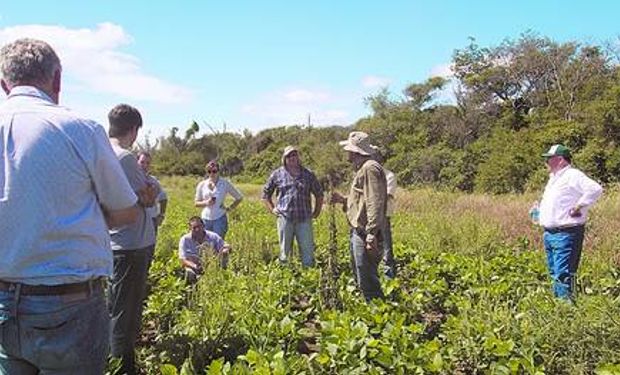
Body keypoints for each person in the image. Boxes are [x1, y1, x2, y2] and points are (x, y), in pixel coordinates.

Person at [0, 38, 138, 374]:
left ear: (4, 84)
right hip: (70, 305)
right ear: (57, 80)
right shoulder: (80, 129)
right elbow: (124, 212)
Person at [107, 104, 159, 374]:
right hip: (132, 245)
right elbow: (148, 197)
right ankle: (123, 367)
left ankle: (117, 359)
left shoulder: (102, 152)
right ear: (134, 129)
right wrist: (148, 193)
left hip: (116, 243)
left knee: (117, 305)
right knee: (125, 311)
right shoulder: (126, 158)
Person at [536, 144, 602, 301]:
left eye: (549, 159)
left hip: (566, 233)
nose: (546, 162)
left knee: (563, 273)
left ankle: (567, 311)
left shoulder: (572, 175)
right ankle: (561, 306)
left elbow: (595, 189)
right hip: (550, 233)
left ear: (559, 160)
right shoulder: (554, 178)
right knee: (555, 273)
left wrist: (579, 206)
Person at [331, 132, 387, 301]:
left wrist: (371, 234)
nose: (347, 154)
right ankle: (370, 313)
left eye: (349, 150)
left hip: (366, 234)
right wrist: (343, 200)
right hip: (360, 231)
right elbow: (362, 200)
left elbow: (374, 202)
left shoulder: (370, 168)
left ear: (355, 152)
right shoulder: (364, 168)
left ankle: (378, 317)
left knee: (368, 281)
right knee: (361, 275)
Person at [262, 146, 324, 267]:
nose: (292, 158)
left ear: (298, 157)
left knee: (307, 252)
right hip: (285, 218)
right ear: (284, 158)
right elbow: (265, 194)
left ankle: (308, 277)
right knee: (284, 252)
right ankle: (286, 277)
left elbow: (319, 194)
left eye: (294, 155)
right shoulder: (277, 174)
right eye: (289, 156)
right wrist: (272, 209)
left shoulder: (308, 174)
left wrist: (316, 212)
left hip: (304, 218)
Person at [194, 160, 243, 239]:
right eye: (209, 171)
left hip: (219, 218)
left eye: (214, 171)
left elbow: (239, 197)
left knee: (218, 243)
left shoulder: (224, 183)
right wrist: (206, 203)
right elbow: (196, 203)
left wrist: (229, 208)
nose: (212, 174)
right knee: (205, 243)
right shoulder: (202, 184)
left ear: (218, 171)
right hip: (205, 219)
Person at [179, 216, 232, 283]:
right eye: (194, 228)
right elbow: (183, 259)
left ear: (203, 226)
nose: (197, 229)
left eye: (199, 226)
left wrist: (225, 250)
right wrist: (195, 266)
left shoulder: (213, 236)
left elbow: (226, 246)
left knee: (224, 256)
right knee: (189, 274)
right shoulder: (185, 239)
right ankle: (194, 289)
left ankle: (221, 278)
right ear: (190, 228)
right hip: (194, 267)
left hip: (212, 265)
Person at [383, 168, 398, 278]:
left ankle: (389, 279)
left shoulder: (389, 176)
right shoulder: (362, 173)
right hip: (366, 218)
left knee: (386, 249)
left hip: (383, 216)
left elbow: (387, 195)